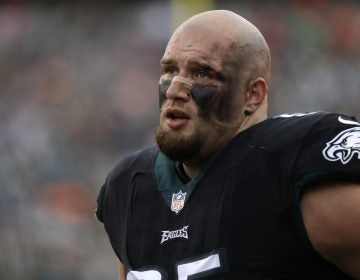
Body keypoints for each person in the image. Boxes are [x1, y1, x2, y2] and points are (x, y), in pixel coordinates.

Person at [96, 9, 360, 280]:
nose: (175, 89)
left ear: (252, 95)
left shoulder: (291, 163)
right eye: (170, 70)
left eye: (202, 73)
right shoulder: (130, 186)